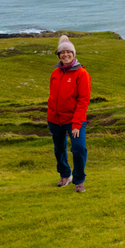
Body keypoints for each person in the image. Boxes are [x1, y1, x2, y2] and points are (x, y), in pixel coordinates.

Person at [47, 35, 91, 193]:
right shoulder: (55, 73)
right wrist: (51, 113)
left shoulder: (81, 73)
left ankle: (79, 180)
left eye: (69, 52)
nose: (66, 55)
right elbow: (53, 95)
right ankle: (65, 175)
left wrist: (77, 123)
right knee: (59, 149)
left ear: (74, 54)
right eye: (62, 52)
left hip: (74, 120)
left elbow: (84, 100)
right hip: (54, 119)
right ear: (58, 55)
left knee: (79, 148)